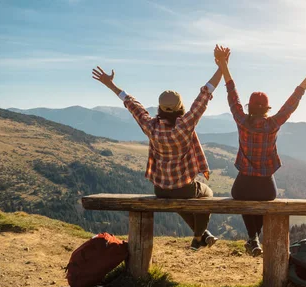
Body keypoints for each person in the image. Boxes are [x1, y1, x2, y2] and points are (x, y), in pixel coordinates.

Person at [91, 47, 228, 251]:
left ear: (160, 108)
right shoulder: (186, 125)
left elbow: (132, 104)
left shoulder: (151, 127)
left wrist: (111, 84)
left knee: (176, 197)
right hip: (183, 188)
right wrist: (222, 66)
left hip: (161, 189)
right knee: (207, 194)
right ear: (181, 107)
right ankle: (199, 236)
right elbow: (205, 93)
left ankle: (202, 235)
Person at [214, 45, 306, 256]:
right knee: (264, 204)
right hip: (267, 188)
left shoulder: (241, 121)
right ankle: (254, 238)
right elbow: (293, 101)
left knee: (245, 200)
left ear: (249, 107)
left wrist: (224, 65)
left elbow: (232, 93)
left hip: (243, 185)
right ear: (266, 109)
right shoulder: (273, 123)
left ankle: (253, 239)